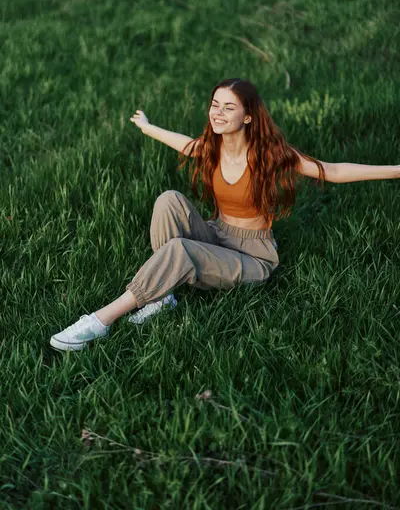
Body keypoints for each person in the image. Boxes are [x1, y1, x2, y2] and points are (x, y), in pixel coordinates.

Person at [50, 78, 399, 351]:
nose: (217, 112)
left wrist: (396, 170)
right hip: (218, 235)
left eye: (228, 107)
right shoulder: (213, 149)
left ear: (247, 116)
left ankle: (100, 320)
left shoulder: (269, 155)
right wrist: (148, 127)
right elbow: (185, 144)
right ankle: (163, 295)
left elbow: (332, 170)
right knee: (168, 199)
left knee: (180, 250)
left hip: (253, 257)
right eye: (214, 104)